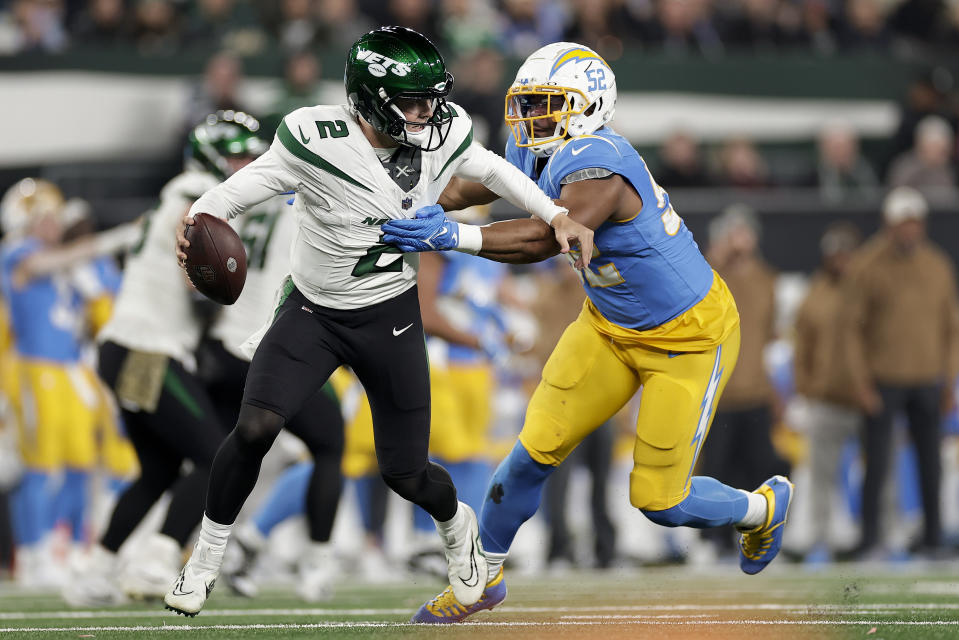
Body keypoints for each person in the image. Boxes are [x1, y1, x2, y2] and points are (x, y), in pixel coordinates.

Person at [164, 26, 593, 617]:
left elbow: (495, 172)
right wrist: (198, 222)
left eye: (432, 99)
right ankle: (204, 560)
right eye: (414, 101)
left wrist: (558, 213)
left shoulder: (442, 132)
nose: (429, 114)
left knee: (406, 472)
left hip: (390, 312)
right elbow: (234, 194)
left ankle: (456, 531)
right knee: (256, 428)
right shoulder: (313, 138)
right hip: (312, 310)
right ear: (368, 98)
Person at [380, 41, 795, 624]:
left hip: (689, 338)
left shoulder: (600, 162)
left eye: (547, 105)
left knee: (659, 500)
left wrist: (454, 237)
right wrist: (382, 194)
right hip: (607, 326)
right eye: (526, 105)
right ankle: (481, 581)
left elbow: (546, 236)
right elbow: (461, 190)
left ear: (591, 105)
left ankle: (761, 507)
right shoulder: (535, 150)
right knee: (529, 455)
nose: (532, 120)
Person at [63, 112, 265, 606]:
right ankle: (158, 558)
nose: (247, 166)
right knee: (217, 457)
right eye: (238, 155)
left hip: (128, 346)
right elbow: (193, 254)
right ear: (213, 157)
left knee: (158, 470)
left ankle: (96, 570)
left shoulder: (184, 189)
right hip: (146, 348)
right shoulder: (196, 188)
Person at [843, 186, 959, 559]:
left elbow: (951, 328)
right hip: (883, 380)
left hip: (927, 378)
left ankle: (932, 538)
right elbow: (851, 330)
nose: (910, 231)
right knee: (875, 462)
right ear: (889, 225)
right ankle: (870, 537)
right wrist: (860, 382)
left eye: (915, 223)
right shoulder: (867, 265)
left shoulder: (938, 265)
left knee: (931, 462)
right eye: (903, 224)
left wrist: (949, 378)